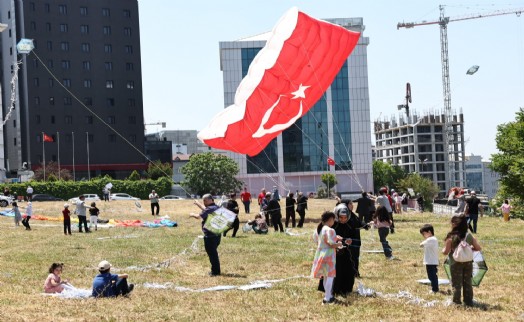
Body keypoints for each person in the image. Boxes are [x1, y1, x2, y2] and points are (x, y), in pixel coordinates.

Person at [442, 215, 482, 306]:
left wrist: (443, 250)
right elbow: (478, 248)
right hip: (468, 262)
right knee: (467, 282)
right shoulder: (469, 236)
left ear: (455, 224)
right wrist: (470, 248)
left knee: (456, 283)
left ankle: (456, 302)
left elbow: (445, 252)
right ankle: (468, 301)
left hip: (455, 263)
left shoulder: (451, 236)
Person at [311, 211, 342, 304]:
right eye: (334, 219)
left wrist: (336, 238)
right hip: (329, 255)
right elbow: (331, 244)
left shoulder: (318, 229)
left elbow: (318, 240)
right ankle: (327, 298)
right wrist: (339, 244)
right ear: (330, 219)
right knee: (330, 276)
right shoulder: (330, 230)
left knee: (325, 276)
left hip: (321, 254)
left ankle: (328, 295)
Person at [190, 194, 221, 276]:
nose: (204, 202)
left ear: (211, 200)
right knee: (213, 253)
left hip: (210, 236)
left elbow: (198, 216)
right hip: (217, 235)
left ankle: (215, 272)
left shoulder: (209, 209)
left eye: (205, 200)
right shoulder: (216, 207)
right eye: (203, 201)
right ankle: (215, 270)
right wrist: (198, 203)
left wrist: (192, 214)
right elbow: (205, 209)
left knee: (212, 254)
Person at [331, 205, 356, 296]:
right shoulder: (333, 225)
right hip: (335, 252)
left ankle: (346, 289)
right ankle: (336, 289)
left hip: (347, 252)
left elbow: (354, 236)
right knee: (337, 270)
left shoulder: (350, 224)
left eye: (345, 217)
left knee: (348, 270)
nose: (343, 220)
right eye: (341, 217)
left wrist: (350, 240)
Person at [420, 224, 439, 293]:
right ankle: (434, 287)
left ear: (429, 232)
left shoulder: (431, 239)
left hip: (431, 261)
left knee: (432, 276)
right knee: (431, 276)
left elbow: (421, 244)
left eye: (424, 234)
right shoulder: (431, 239)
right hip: (430, 261)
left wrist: (424, 241)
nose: (423, 236)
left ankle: (435, 289)